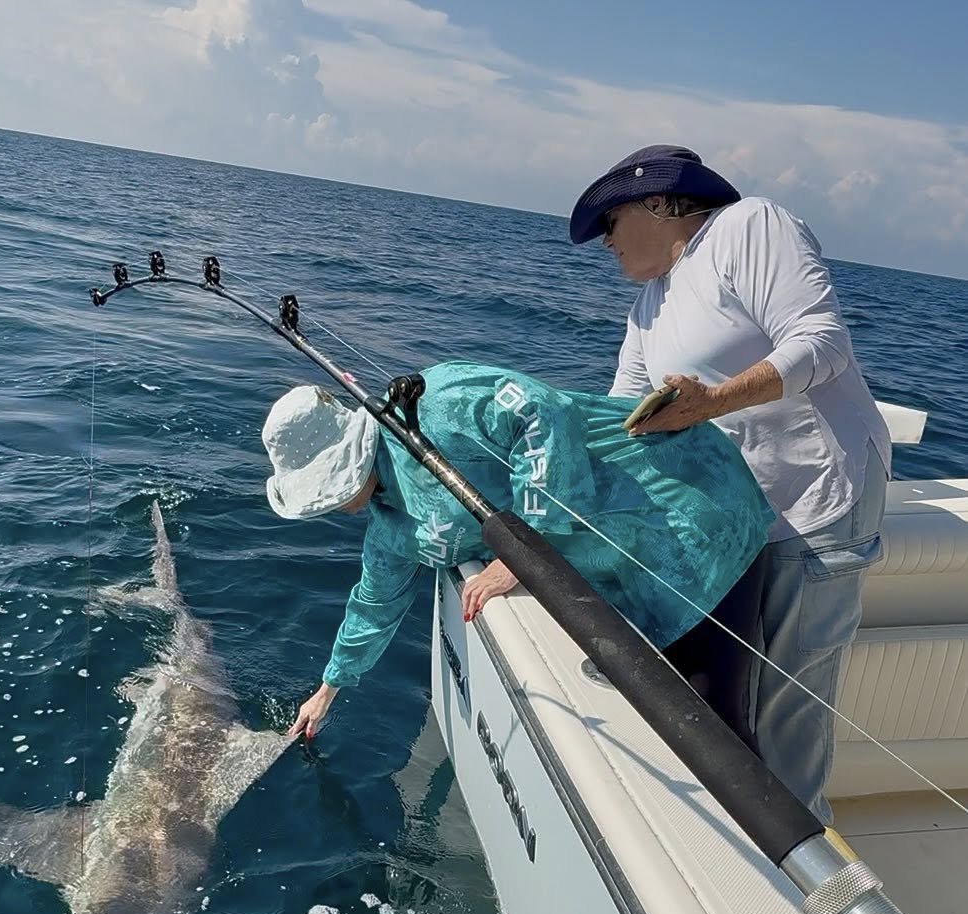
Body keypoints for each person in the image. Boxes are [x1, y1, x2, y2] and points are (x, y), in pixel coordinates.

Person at [568, 144, 891, 823]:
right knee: (731, 695)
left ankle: (810, 878)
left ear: (657, 201)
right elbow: (615, 426)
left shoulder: (745, 227)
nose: (602, 241)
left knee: (785, 708)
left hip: (815, 501)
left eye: (608, 220)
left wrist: (713, 402)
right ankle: (754, 841)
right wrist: (548, 527)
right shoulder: (647, 308)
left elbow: (822, 341)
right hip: (733, 521)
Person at [263, 363, 775, 742]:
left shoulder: (434, 406)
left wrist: (521, 550)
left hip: (696, 516)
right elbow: (373, 604)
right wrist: (328, 689)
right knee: (669, 724)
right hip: (626, 574)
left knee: (715, 726)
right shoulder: (390, 525)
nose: (330, 506)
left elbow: (540, 410)